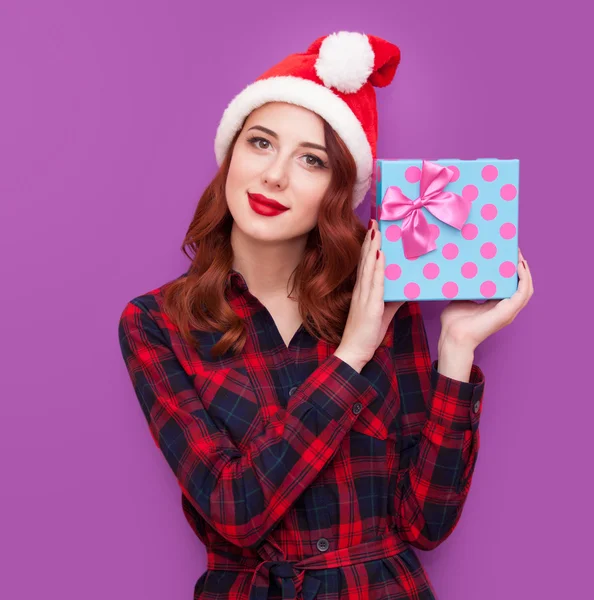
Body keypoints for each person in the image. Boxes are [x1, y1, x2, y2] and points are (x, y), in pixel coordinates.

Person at [118, 31, 533, 600]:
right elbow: (236, 511)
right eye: (261, 144)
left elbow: (424, 524)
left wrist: (457, 350)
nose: (275, 176)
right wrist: (350, 357)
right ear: (231, 153)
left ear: (338, 189)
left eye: (311, 159)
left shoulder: (386, 299)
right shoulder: (156, 323)